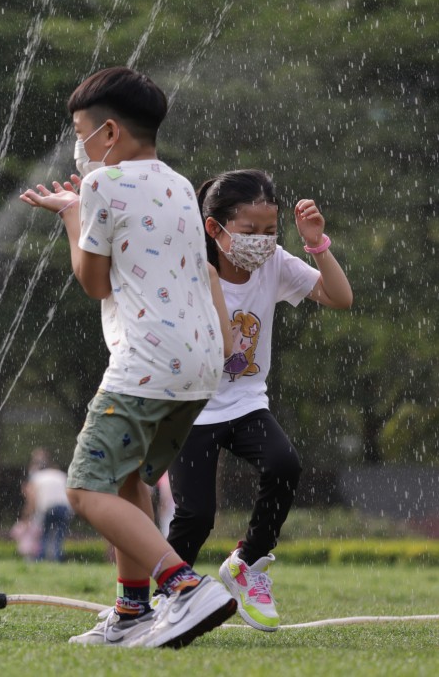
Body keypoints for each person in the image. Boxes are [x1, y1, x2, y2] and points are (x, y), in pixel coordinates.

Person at [20, 66, 236, 649]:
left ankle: (184, 586)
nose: (77, 144)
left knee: (86, 490)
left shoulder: (99, 187)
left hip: (145, 363)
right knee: (129, 482)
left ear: (108, 133)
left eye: (79, 131)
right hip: (198, 366)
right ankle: (132, 611)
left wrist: (72, 215)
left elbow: (93, 282)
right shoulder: (180, 184)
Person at [166, 169, 353, 631]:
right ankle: (167, 597)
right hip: (191, 407)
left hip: (246, 400)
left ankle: (246, 564)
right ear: (215, 228)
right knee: (196, 514)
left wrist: (317, 244)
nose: (262, 242)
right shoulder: (189, 269)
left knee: (284, 464)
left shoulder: (274, 264)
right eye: (250, 232)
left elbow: (340, 297)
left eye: (271, 231)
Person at [21, 448, 72, 562]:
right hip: (64, 508)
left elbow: (32, 498)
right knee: (59, 535)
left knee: (45, 534)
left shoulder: (37, 477)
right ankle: (57, 559)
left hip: (49, 507)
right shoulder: (60, 475)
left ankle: (41, 558)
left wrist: (28, 514)